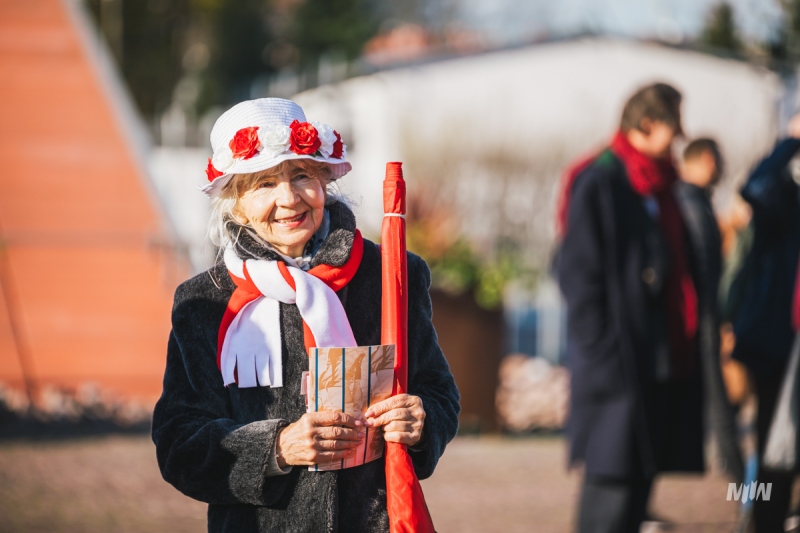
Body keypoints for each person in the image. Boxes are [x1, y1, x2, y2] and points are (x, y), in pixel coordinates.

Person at [151, 98, 460, 532]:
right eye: (262, 184)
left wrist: (421, 419)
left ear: (325, 180)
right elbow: (178, 443)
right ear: (234, 203)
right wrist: (277, 447)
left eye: (301, 175)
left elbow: (439, 392)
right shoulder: (204, 301)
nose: (288, 199)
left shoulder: (393, 275)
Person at [557, 83, 704, 533]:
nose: (677, 142)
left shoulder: (658, 184)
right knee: (610, 489)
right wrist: (604, 352)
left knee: (638, 486)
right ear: (646, 124)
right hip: (616, 366)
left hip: (654, 357)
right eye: (671, 129)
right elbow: (578, 274)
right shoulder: (600, 177)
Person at [731, 114, 800, 533]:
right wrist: (791, 139)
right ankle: (761, 519)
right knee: (773, 449)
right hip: (780, 343)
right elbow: (755, 186)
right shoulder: (784, 206)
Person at [675, 138, 745, 483]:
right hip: (701, 321)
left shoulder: (688, 202)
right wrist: (715, 319)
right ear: (707, 159)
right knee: (720, 411)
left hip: (698, 319)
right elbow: (706, 270)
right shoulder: (691, 204)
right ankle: (749, 493)